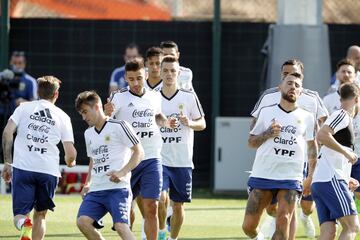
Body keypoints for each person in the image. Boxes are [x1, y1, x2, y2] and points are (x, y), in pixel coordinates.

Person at [251, 59, 327, 239]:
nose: (290, 77)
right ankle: (273, 220)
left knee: (289, 211)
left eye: (296, 75)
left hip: (296, 163)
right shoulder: (268, 96)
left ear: (302, 77)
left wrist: (313, 166)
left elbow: (322, 127)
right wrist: (265, 136)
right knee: (271, 209)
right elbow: (255, 125)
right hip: (269, 161)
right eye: (286, 74)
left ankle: (291, 225)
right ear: (281, 76)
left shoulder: (312, 97)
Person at [105, 57, 177, 240]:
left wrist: (166, 122)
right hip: (128, 161)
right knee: (126, 209)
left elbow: (158, 116)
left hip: (152, 157)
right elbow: (107, 124)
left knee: (152, 205)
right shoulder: (118, 97)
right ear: (126, 79)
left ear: (145, 74)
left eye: (139, 77)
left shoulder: (154, 96)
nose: (136, 83)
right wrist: (106, 114)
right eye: (131, 79)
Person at [1, 75, 77, 240]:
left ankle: (23, 224)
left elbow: (7, 132)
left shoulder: (23, 108)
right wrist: (71, 162)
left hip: (24, 169)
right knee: (40, 216)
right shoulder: (63, 116)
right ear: (56, 94)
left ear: (37, 92)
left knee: (20, 216)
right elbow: (70, 153)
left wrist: (7, 161)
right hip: (48, 172)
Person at [75, 91, 144, 240]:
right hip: (96, 190)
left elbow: (139, 152)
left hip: (118, 189)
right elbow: (93, 160)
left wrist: (122, 172)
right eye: (81, 113)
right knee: (82, 222)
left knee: (121, 227)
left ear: (97, 106)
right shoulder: (89, 133)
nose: (84, 117)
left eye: (85, 112)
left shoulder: (120, 125)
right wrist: (88, 183)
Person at [157, 56, 206, 240]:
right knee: (161, 198)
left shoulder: (188, 96)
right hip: (160, 159)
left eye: (173, 71)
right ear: (160, 72)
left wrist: (190, 123)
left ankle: (173, 238)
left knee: (178, 206)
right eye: (166, 70)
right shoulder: (153, 97)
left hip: (182, 161)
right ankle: (162, 230)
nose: (169, 74)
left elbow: (202, 123)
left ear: (178, 73)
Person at [312, 82, 360, 240]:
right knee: (352, 226)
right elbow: (322, 135)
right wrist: (347, 153)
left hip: (323, 181)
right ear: (357, 99)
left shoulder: (342, 117)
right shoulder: (342, 115)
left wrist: (347, 178)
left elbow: (328, 151)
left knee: (328, 232)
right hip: (331, 179)